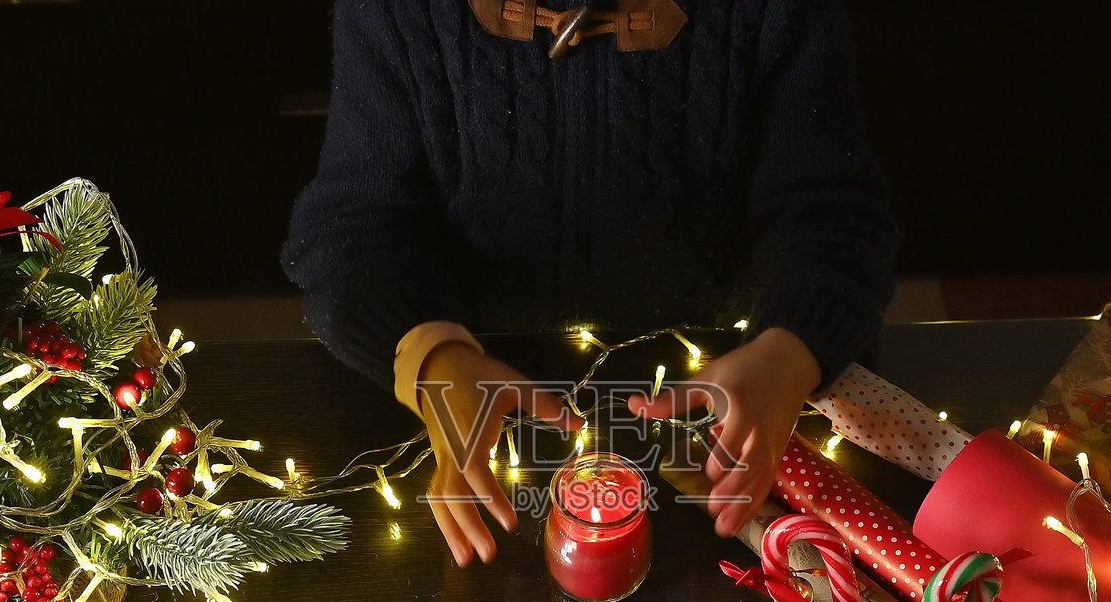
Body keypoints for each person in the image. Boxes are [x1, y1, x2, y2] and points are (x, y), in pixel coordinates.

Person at [283, 0, 898, 567]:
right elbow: (350, 232)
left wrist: (791, 352)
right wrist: (430, 352)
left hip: (728, 404)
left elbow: (833, 215)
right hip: (468, 415)